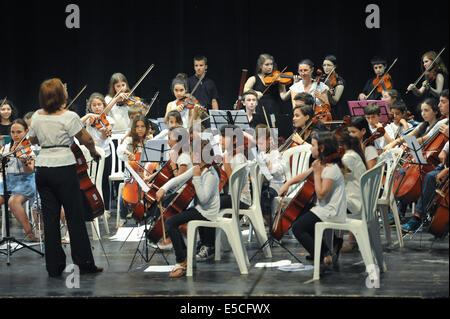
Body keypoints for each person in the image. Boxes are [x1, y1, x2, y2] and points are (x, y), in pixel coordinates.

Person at [28, 78, 103, 277]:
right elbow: (85, 138)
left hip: (43, 168)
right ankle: (84, 264)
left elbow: (33, 138)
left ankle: (54, 267)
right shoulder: (69, 116)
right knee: (74, 217)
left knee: (51, 219)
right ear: (61, 96)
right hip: (64, 167)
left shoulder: (36, 116)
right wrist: (94, 151)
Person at [155, 138, 221, 278]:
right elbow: (178, 179)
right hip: (201, 209)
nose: (190, 155)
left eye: (192, 153)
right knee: (171, 220)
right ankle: (184, 256)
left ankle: (181, 260)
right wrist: (163, 188)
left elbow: (203, 200)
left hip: (207, 213)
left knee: (170, 222)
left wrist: (196, 178)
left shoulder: (211, 174)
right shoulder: (199, 168)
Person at [279, 132, 346, 265]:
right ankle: (326, 252)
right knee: (300, 217)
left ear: (322, 149)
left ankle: (320, 256)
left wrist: (316, 173)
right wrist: (287, 183)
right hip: (324, 208)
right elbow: (303, 175)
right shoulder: (322, 163)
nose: (310, 148)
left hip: (332, 210)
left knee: (298, 228)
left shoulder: (331, 168)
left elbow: (321, 195)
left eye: (313, 145)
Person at [0, 119, 39, 242]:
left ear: (26, 131)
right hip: (9, 181)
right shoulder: (7, 148)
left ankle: (29, 233)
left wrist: (23, 161)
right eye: (12, 132)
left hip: (26, 181)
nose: (15, 135)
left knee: (13, 201)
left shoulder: (30, 148)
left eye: (19, 132)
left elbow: (30, 170)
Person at [81, 92, 118, 220]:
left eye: (99, 105)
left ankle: (106, 209)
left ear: (103, 106)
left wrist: (104, 131)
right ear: (90, 106)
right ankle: (90, 208)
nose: (97, 107)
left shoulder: (108, 120)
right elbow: (77, 124)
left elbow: (104, 137)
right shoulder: (88, 119)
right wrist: (88, 116)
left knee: (103, 182)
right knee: (89, 182)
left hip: (104, 155)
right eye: (94, 105)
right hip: (89, 155)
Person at [401, 142, 448, 233]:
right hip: (444, 165)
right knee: (404, 172)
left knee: (430, 177)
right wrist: (444, 151)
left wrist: (447, 170)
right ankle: (397, 210)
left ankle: (417, 218)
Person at [116, 115, 153, 227]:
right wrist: (127, 153)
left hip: (146, 173)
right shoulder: (129, 140)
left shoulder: (149, 140)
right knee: (126, 190)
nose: (140, 129)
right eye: (137, 127)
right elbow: (120, 149)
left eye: (142, 126)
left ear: (147, 128)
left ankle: (147, 216)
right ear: (134, 128)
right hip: (131, 173)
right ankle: (122, 217)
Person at [336, 129, 367, 252]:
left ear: (340, 146)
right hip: (359, 200)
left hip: (354, 203)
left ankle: (330, 247)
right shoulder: (355, 155)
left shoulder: (348, 158)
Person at [243, 54, 290, 129]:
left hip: (274, 111)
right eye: (267, 64)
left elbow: (283, 97)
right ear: (260, 66)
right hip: (259, 111)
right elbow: (245, 89)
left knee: (274, 133)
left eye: (271, 64)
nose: (270, 67)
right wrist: (255, 93)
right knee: (261, 133)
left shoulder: (278, 78)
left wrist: (293, 89)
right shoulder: (254, 78)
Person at [255, 124, 286, 225]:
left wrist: (269, 164)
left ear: (270, 140)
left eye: (262, 143)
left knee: (265, 196)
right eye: (258, 143)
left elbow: (280, 171)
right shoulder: (260, 153)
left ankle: (272, 225)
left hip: (276, 185)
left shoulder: (274, 152)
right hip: (261, 184)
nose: (260, 146)